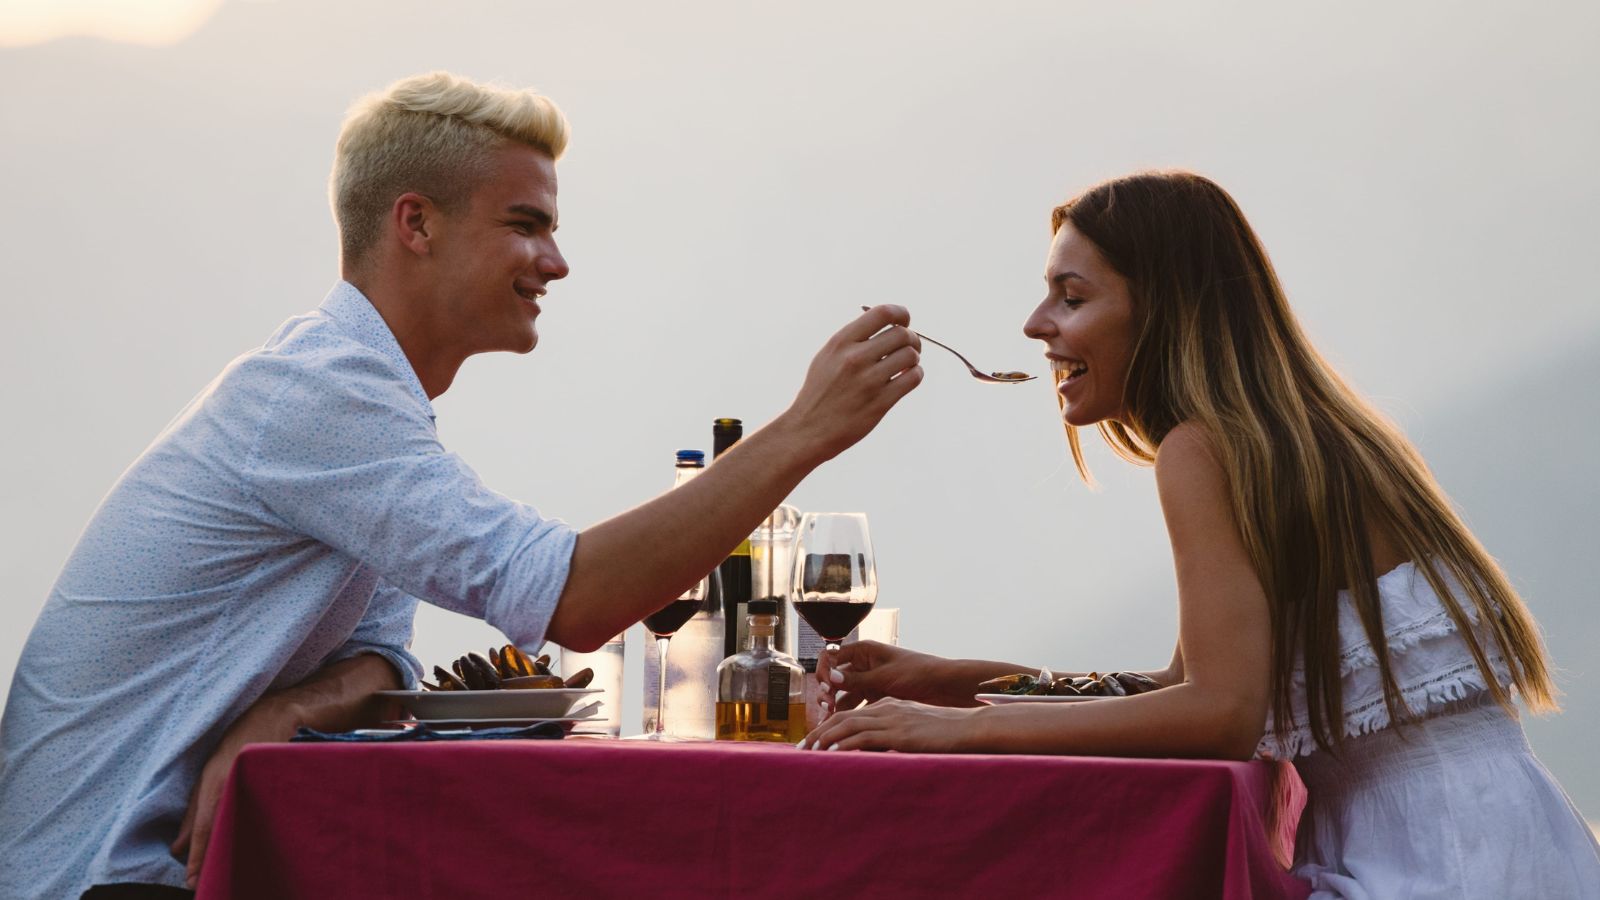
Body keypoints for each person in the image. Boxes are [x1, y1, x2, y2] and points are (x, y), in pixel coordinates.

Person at [0, 71, 923, 900]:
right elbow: (572, 598)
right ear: (416, 224)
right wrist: (804, 433)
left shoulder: (365, 401)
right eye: (526, 226)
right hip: (100, 880)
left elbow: (381, 658)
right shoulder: (318, 399)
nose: (555, 264)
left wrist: (288, 709)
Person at [801, 171, 1600, 898]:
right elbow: (1184, 690)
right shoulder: (1288, 434)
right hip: (1509, 845)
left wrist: (965, 731)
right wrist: (962, 681)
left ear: (1162, 309)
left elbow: (1219, 715)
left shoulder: (1205, 447)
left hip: (1433, 868)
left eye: (1071, 297)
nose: (1035, 324)